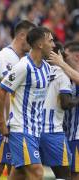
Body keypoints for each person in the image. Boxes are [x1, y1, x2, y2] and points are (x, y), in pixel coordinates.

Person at [0, 26, 55, 180]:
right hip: (20, 128)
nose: (53, 45)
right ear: (40, 44)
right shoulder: (23, 66)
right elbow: (0, 91)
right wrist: (2, 123)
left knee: (19, 174)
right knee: (37, 172)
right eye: (50, 40)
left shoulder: (47, 68)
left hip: (35, 130)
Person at [0, 20, 36, 177]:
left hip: (18, 125)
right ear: (22, 36)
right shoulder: (4, 57)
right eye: (31, 38)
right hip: (4, 124)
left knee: (17, 170)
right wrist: (3, 122)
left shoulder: (26, 59)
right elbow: (3, 92)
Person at [39, 43, 75, 179]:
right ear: (58, 55)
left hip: (34, 131)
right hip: (53, 132)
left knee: (29, 173)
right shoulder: (62, 75)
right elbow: (65, 103)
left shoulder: (38, 72)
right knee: (64, 175)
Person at [61, 41, 79, 180]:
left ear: (76, 57)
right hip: (66, 134)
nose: (63, 59)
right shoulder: (66, 76)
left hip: (77, 136)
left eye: (66, 56)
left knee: (74, 174)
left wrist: (62, 63)